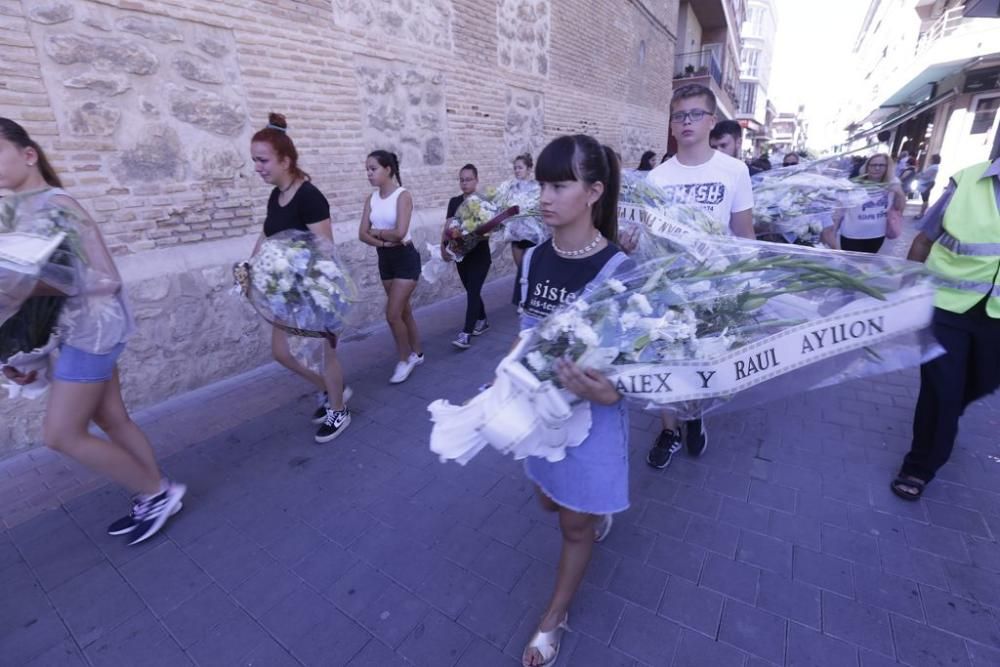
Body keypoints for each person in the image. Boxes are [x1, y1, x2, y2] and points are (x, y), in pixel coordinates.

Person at [0, 118, 185, 545]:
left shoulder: (59, 204)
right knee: (112, 418)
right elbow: (24, 298)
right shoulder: (11, 210)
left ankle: (158, 492)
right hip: (67, 332)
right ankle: (155, 492)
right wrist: (21, 355)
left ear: (28, 155)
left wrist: (27, 281)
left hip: (94, 329)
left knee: (60, 434)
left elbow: (105, 279)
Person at [515, 134, 630, 667]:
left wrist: (611, 391)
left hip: (593, 422)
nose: (544, 196)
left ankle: (552, 617)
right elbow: (524, 335)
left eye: (559, 184)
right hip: (541, 414)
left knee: (572, 524)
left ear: (593, 192)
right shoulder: (533, 258)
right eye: (541, 183)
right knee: (547, 499)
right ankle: (590, 515)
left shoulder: (619, 269)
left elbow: (637, 363)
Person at [644, 83, 755, 471]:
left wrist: (750, 283)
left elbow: (744, 234)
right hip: (668, 286)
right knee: (664, 360)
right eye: (678, 116)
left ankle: (694, 413)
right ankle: (670, 430)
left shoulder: (735, 171)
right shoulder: (657, 178)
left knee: (698, 362)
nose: (686, 122)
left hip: (715, 287)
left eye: (694, 114)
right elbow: (649, 241)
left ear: (711, 121)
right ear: (671, 126)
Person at [891, 152, 1000, 500]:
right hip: (948, 307)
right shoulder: (968, 180)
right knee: (942, 391)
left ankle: (951, 413)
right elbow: (924, 239)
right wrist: (905, 293)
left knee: (981, 383)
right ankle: (919, 466)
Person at [250, 113, 351, 443]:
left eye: (263, 160)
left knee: (325, 355)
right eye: (255, 161)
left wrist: (293, 272)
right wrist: (251, 267)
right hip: (289, 292)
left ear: (285, 160)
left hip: (317, 290)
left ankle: (338, 408)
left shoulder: (309, 196)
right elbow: (267, 235)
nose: (258, 167)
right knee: (281, 352)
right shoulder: (275, 196)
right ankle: (330, 390)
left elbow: (325, 250)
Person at [358, 150, 424, 383]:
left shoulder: (402, 196)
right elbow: (361, 234)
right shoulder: (371, 199)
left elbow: (400, 232)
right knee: (404, 310)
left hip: (405, 258)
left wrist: (378, 234)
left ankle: (404, 360)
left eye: (373, 168)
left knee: (392, 314)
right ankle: (417, 352)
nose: (369, 173)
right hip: (385, 258)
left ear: (388, 169)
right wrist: (384, 242)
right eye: (367, 169)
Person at [442, 164, 491, 349]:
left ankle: (466, 334)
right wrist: (443, 247)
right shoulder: (454, 202)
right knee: (472, 290)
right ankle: (482, 319)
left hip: (480, 255)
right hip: (461, 255)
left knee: (472, 291)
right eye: (461, 179)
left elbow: (489, 230)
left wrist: (472, 233)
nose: (464, 183)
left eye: (468, 179)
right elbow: (447, 227)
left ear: (476, 180)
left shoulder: (483, 201)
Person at [833, 153, 905, 254]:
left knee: (866, 265)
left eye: (881, 165)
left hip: (877, 235)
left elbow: (899, 208)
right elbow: (839, 211)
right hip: (851, 235)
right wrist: (833, 233)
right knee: (850, 266)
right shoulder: (853, 185)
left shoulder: (893, 182)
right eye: (873, 165)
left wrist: (899, 193)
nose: (877, 168)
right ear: (867, 167)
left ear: (887, 167)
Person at [509, 152, 538, 305]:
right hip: (516, 236)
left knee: (530, 271)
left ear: (529, 169)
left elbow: (539, 211)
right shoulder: (511, 188)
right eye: (515, 168)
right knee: (521, 270)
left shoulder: (536, 188)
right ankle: (523, 300)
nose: (517, 171)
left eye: (520, 168)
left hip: (532, 236)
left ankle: (531, 300)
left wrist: (526, 210)